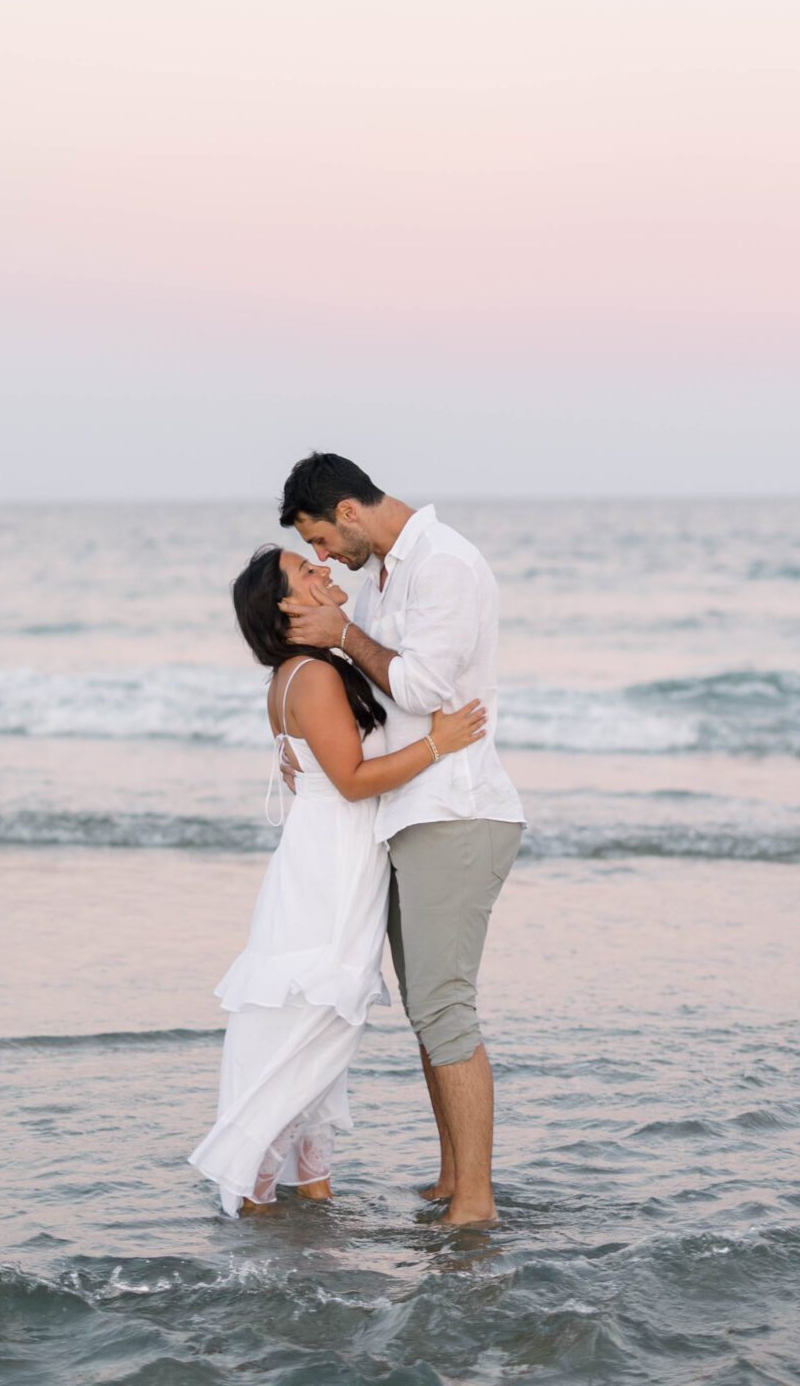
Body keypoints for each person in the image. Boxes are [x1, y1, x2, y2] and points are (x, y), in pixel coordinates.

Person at [189, 543, 486, 1217]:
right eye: (307, 572)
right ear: (287, 607)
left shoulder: (314, 671)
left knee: (315, 1031)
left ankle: (306, 1196)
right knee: (312, 1026)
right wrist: (440, 742)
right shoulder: (312, 676)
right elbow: (351, 782)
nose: (325, 572)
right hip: (330, 869)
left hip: (329, 860)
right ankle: (259, 1201)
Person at [279, 452, 524, 1227]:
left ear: (348, 511)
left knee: (445, 1007)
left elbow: (419, 687)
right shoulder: (390, 572)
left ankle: (475, 1203)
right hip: (412, 813)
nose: (322, 558)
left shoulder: (443, 564)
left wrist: (344, 633)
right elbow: (386, 707)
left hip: (456, 812)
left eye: (319, 539)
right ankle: (453, 1180)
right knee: (427, 1008)